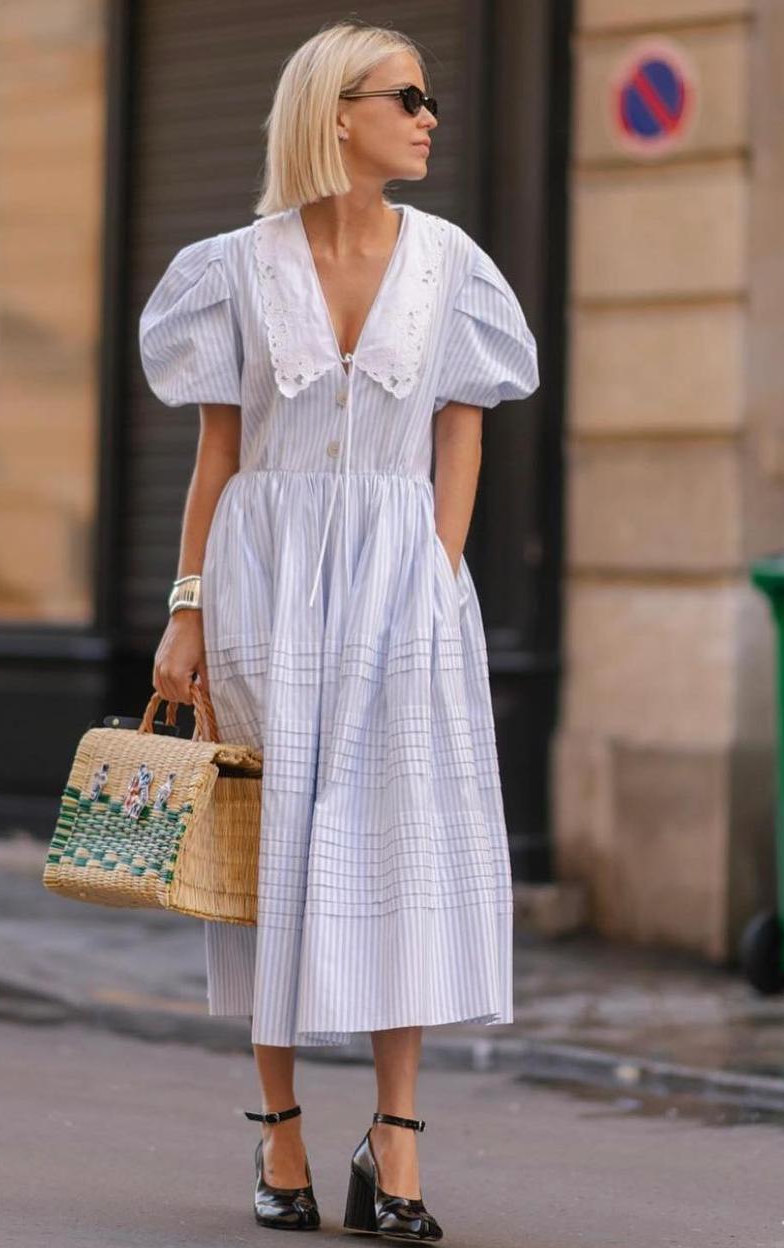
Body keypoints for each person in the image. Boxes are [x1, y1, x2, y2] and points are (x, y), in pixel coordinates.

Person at [139, 18, 539, 1242]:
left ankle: (396, 1140)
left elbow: (463, 431)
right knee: (275, 848)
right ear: (334, 114)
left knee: (396, 848)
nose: (427, 118)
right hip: (266, 578)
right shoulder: (234, 268)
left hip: (400, 582)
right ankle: (281, 1132)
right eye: (403, 97)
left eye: (429, 98)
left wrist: (436, 570)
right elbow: (216, 454)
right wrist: (186, 608)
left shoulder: (451, 262)